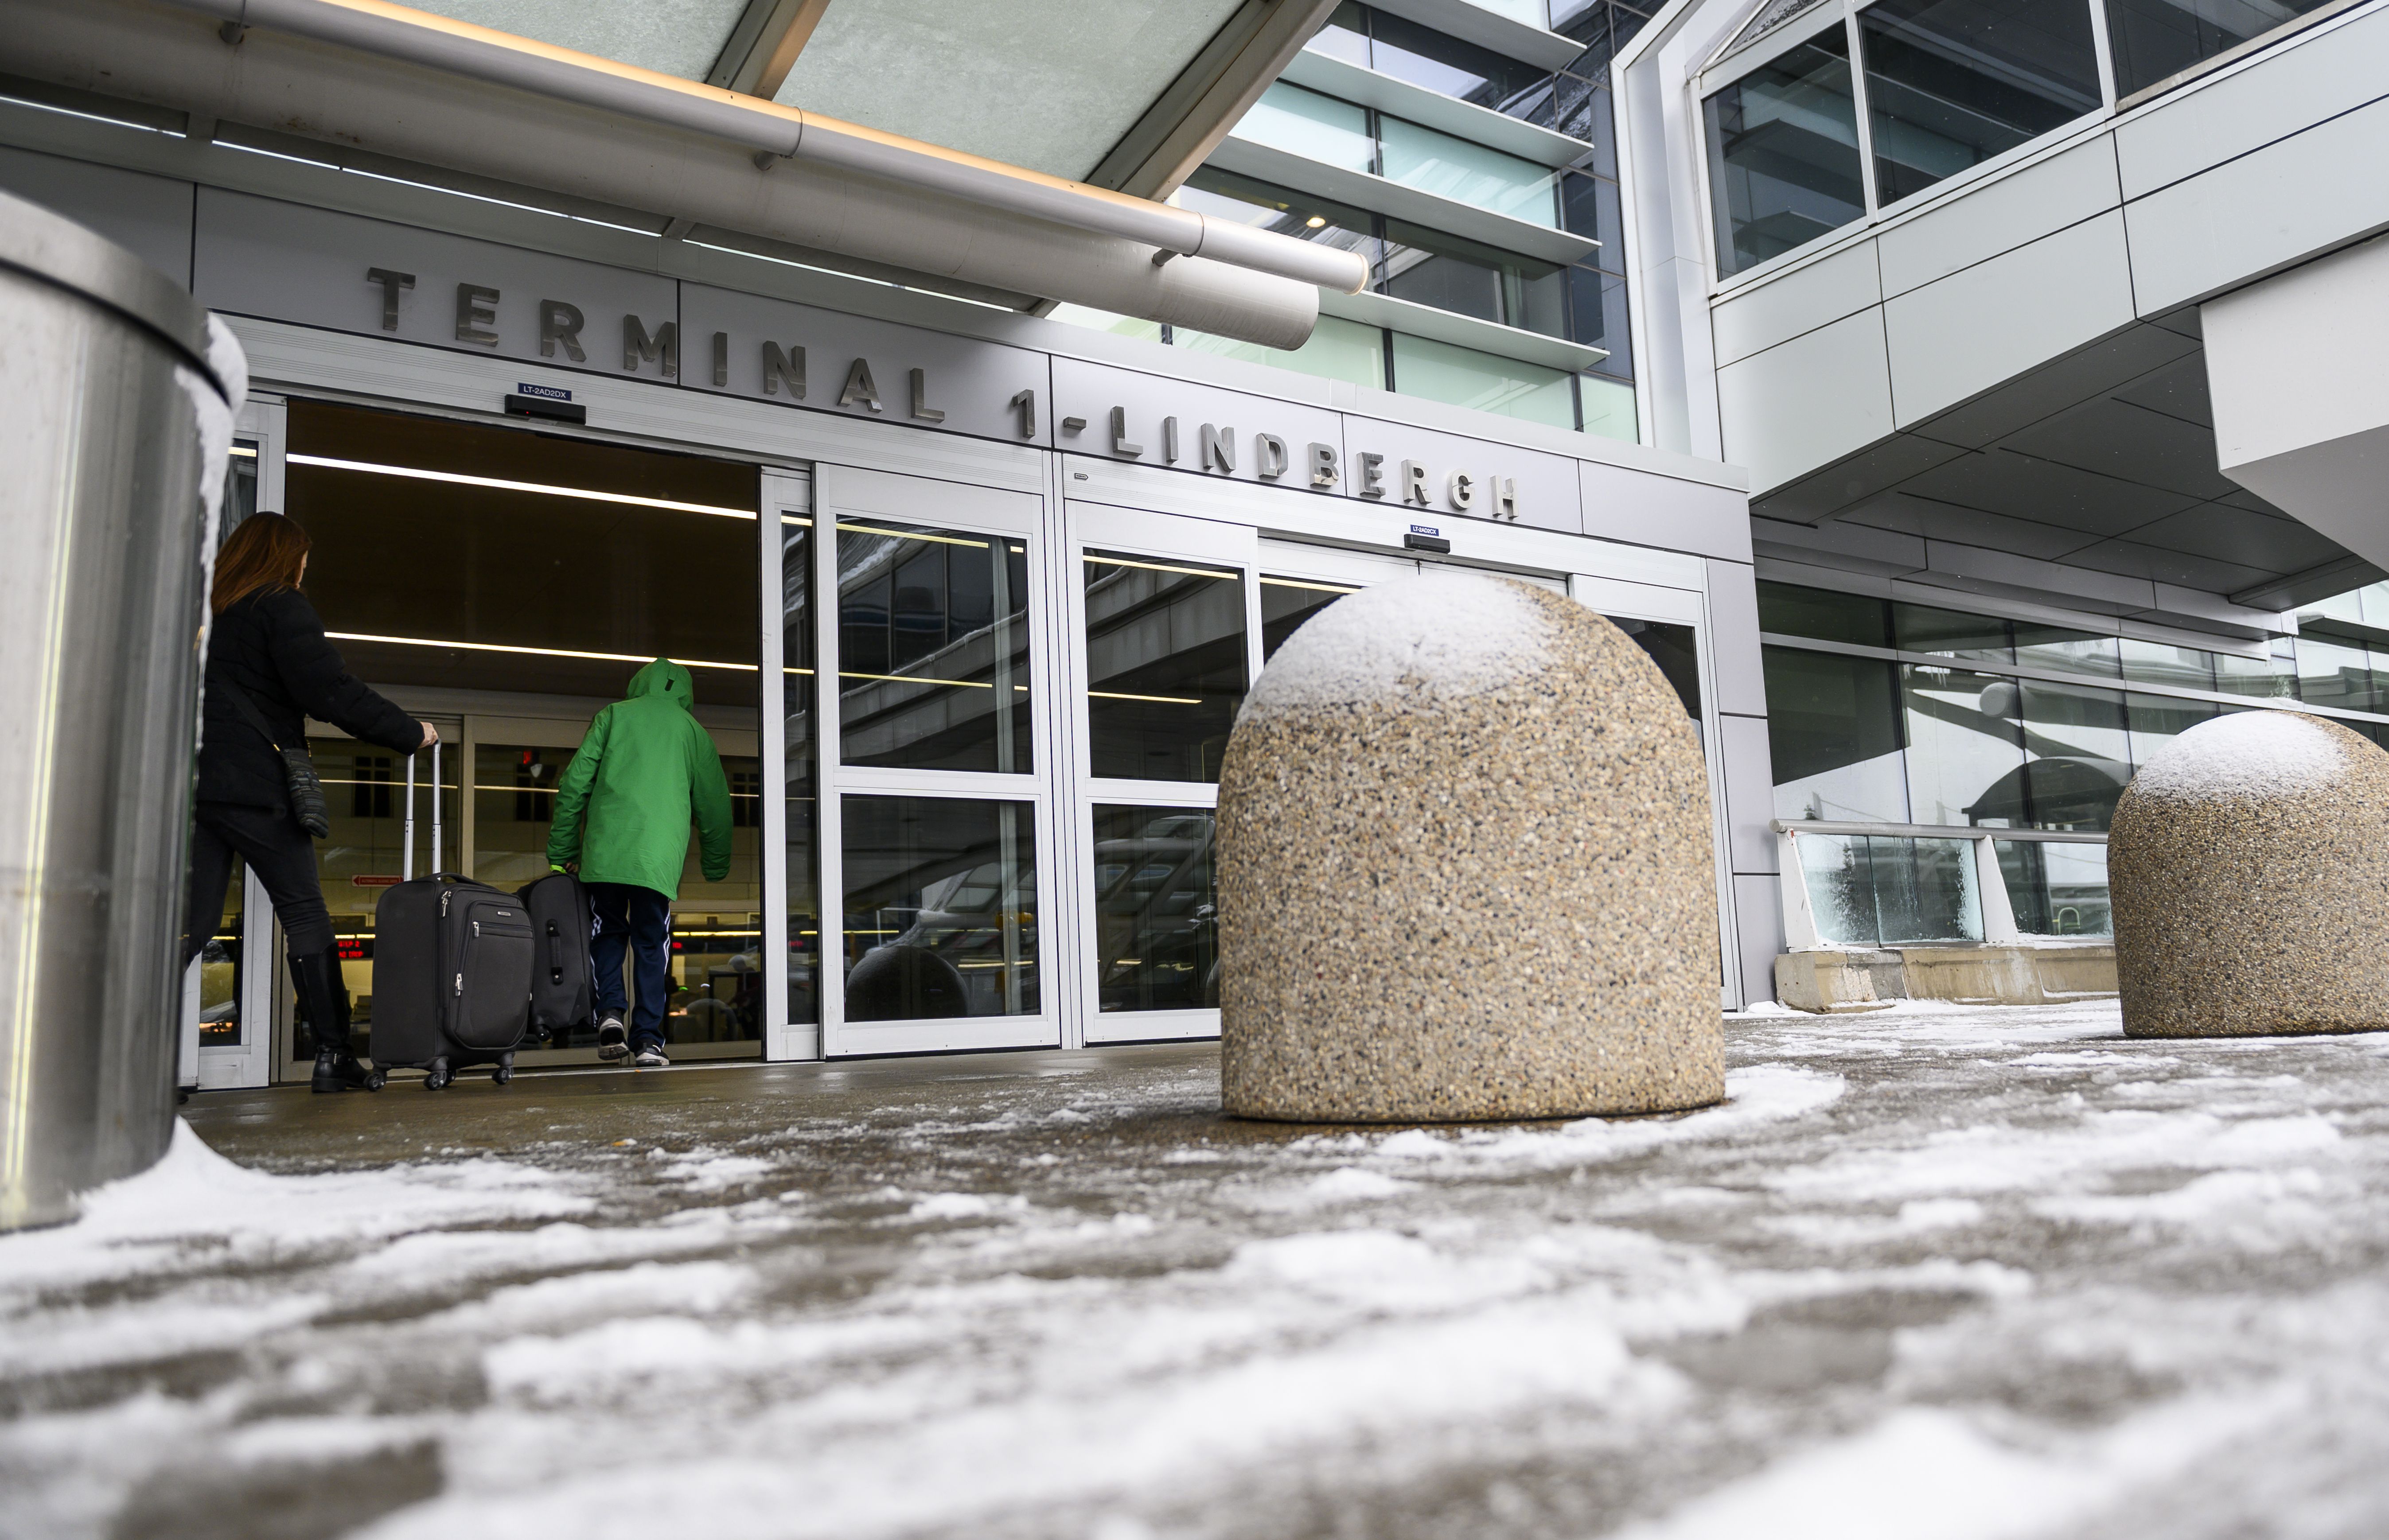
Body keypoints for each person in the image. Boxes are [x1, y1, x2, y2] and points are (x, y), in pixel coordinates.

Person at [182, 513, 437, 1093]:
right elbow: (329, 691)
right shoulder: (279, 605)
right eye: (302, 562)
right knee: (303, 912)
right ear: (284, 559)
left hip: (199, 787)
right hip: (256, 788)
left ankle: (119, 1048)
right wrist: (407, 731)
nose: (304, 573)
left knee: (189, 926)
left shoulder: (206, 616)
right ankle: (332, 1054)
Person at [546, 658, 733, 1067]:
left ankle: (610, 1014)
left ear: (639, 684)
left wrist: (563, 854)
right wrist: (716, 864)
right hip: (656, 862)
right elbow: (715, 805)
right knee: (652, 946)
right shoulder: (693, 733)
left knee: (606, 934)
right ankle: (648, 1040)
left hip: (607, 854)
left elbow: (573, 785)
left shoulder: (613, 716)